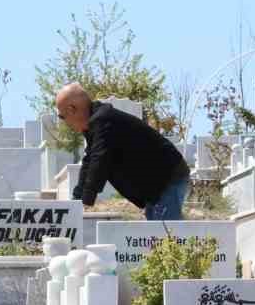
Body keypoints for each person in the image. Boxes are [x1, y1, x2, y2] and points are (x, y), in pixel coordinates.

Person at [56, 83, 190, 219]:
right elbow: (89, 160)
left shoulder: (104, 121)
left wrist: (86, 199)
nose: (64, 123)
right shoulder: (96, 124)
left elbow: (100, 159)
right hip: (157, 185)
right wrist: (77, 198)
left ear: (72, 109)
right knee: (157, 234)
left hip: (167, 178)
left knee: (167, 234)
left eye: (62, 117)